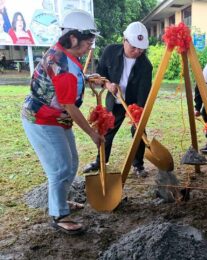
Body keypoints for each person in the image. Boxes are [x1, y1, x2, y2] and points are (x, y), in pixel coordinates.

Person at [21, 10, 103, 234]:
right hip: (42, 120)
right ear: (73, 37)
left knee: (72, 161)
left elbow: (68, 77)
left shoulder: (65, 55)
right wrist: (92, 134)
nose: (90, 46)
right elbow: (69, 105)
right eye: (88, 41)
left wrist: (87, 78)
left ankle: (61, 201)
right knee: (60, 167)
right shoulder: (63, 65)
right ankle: (59, 215)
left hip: (56, 118)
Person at [83, 22, 152, 177]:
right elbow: (98, 75)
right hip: (114, 101)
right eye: (133, 47)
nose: (137, 51)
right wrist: (108, 84)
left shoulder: (145, 66)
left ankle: (138, 165)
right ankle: (100, 160)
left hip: (134, 103)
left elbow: (144, 92)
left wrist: (138, 113)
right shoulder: (110, 52)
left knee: (138, 132)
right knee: (107, 131)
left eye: (141, 48)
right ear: (124, 40)